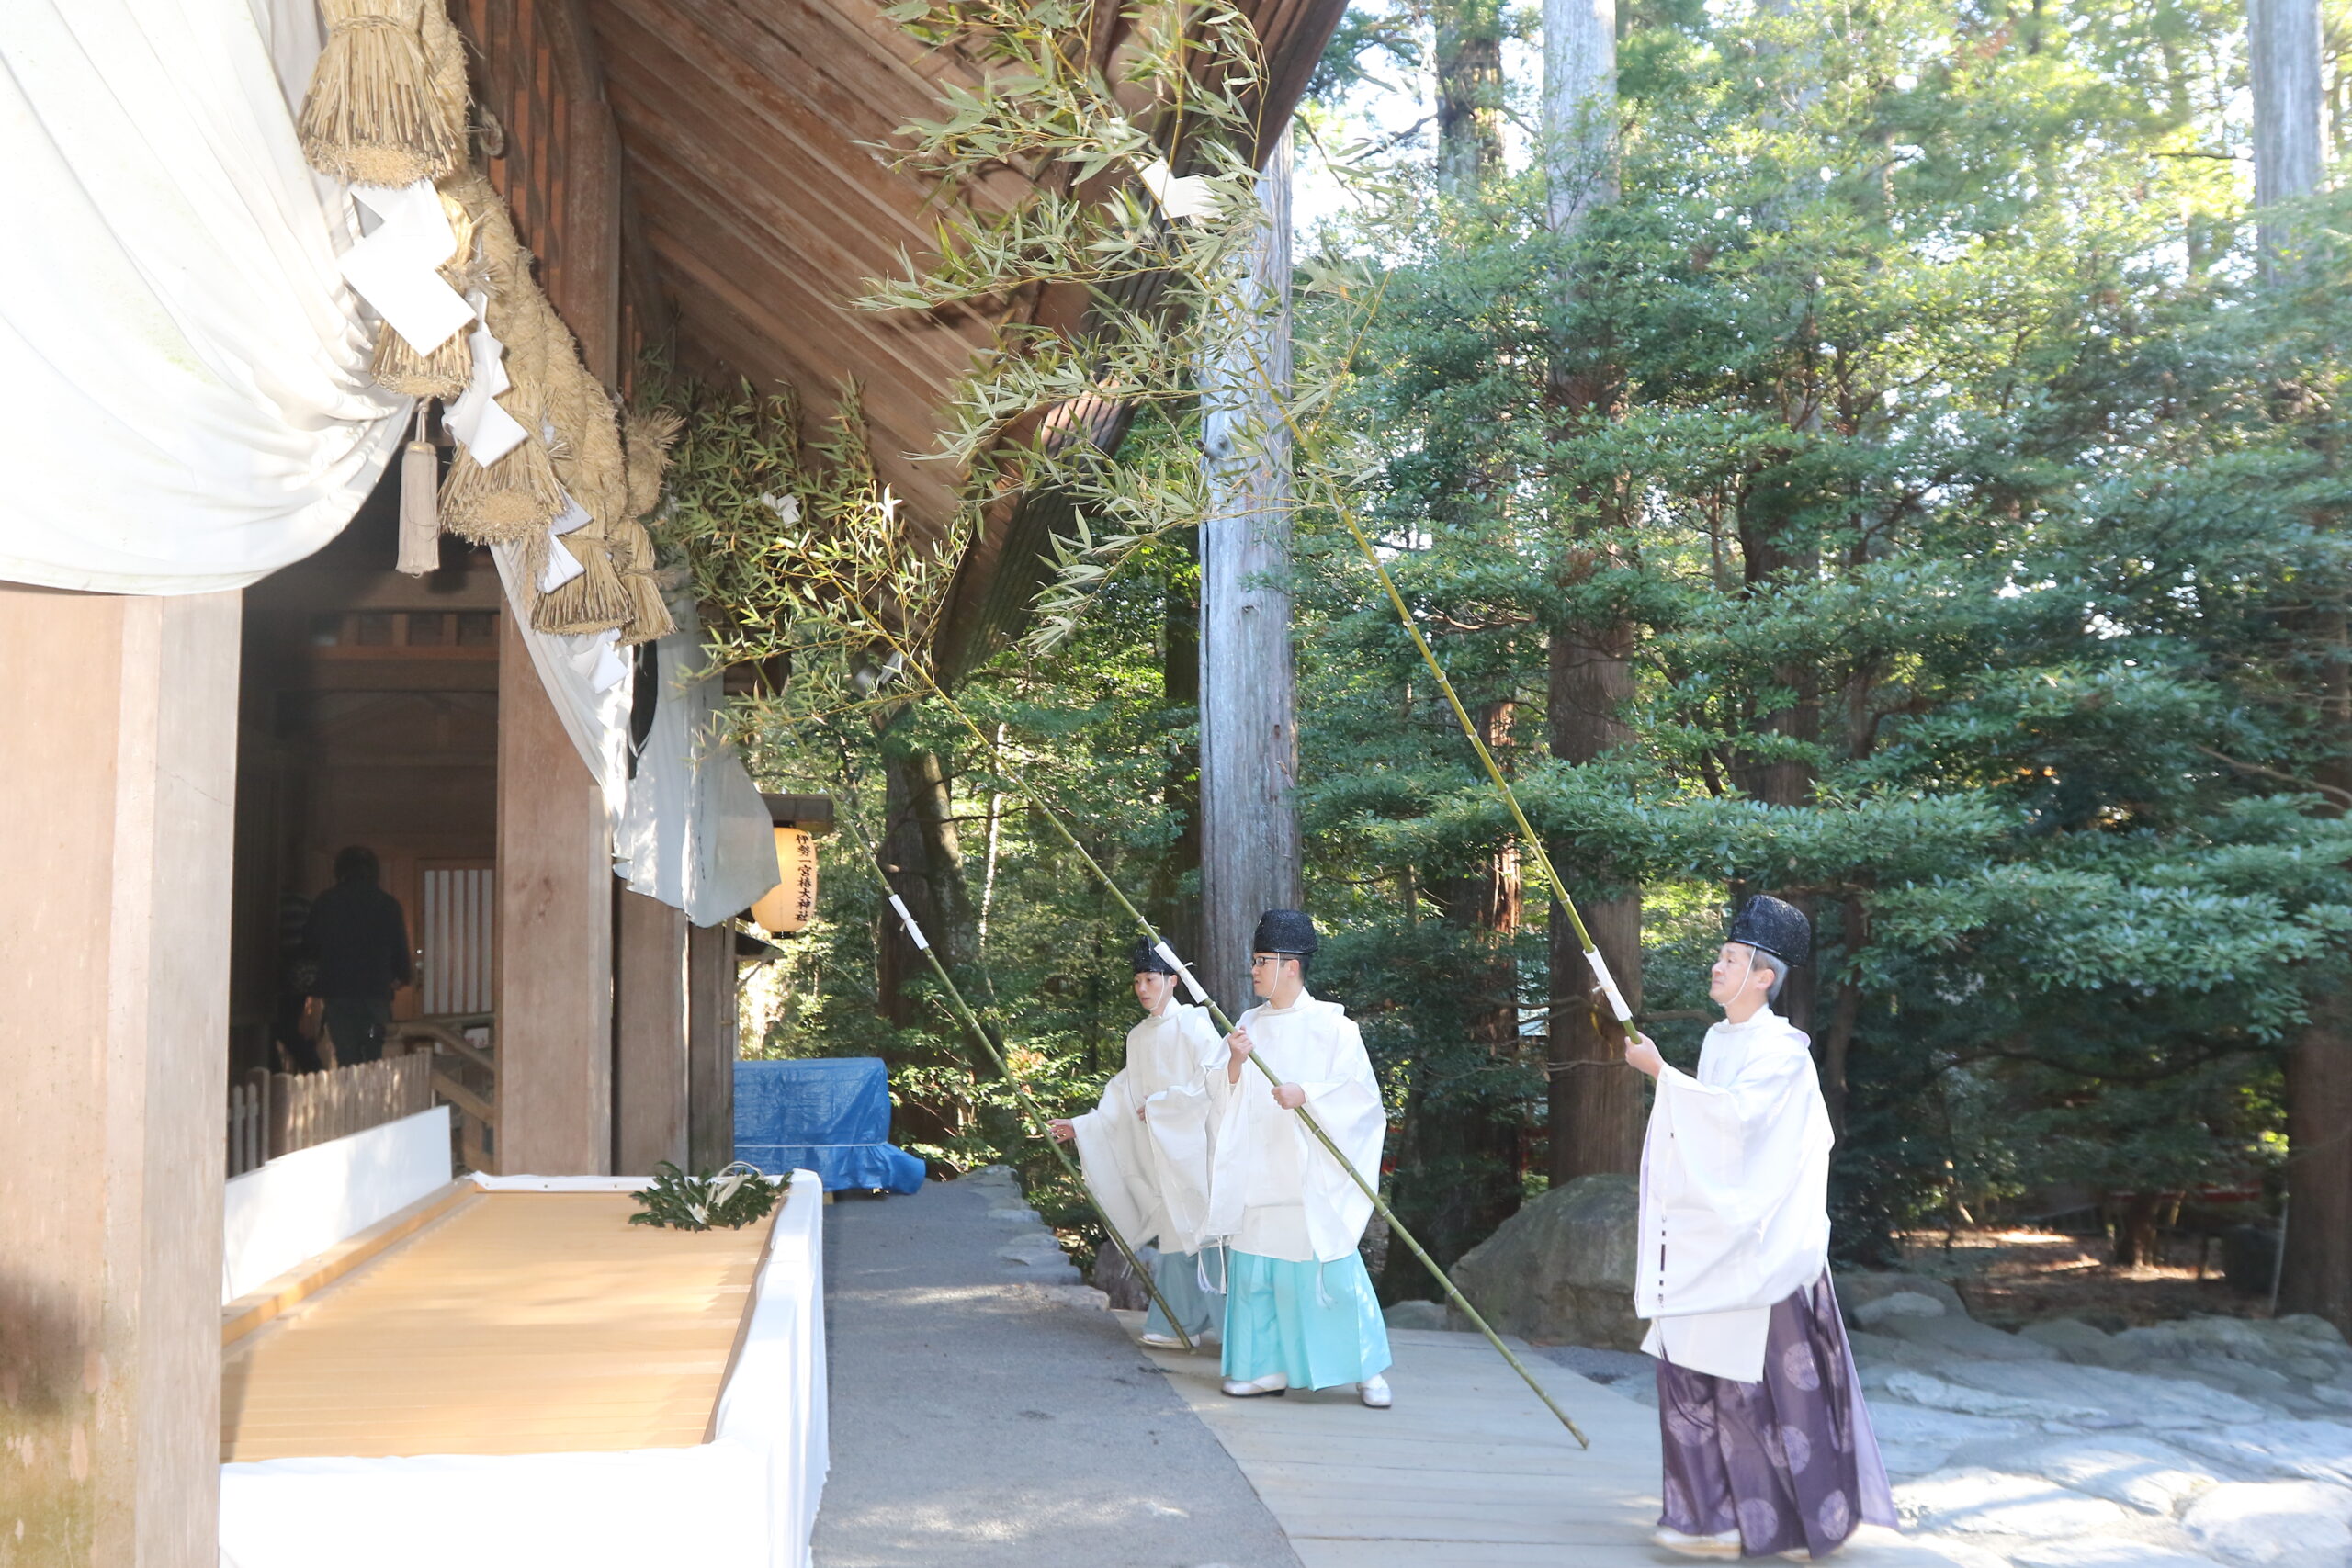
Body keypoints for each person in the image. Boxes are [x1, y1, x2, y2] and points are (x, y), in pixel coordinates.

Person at [1623, 895, 1896, 1561]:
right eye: (1720, 956)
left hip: (1765, 1243)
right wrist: (1671, 1080)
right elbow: (1715, 1129)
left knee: (1769, 1392)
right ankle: (1706, 1517)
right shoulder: (1721, 1039)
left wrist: (1662, 1074)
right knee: (1689, 1369)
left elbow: (1739, 1124)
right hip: (1714, 1238)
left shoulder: (1781, 1051)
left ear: (1764, 976)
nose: (1717, 967)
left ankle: (1799, 1524)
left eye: (1731, 959)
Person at [1203, 909, 1394, 1408]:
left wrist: (1306, 1093)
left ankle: (1367, 1369)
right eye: (1254, 961)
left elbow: (1361, 1098)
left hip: (1309, 1178)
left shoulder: (1335, 1028)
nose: (1253, 970)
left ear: (1291, 966)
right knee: (1257, 1280)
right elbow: (1219, 1090)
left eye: (1262, 961)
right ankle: (1262, 1369)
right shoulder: (1247, 1024)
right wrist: (1235, 1062)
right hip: (1259, 1172)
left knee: (1330, 1278)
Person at [1050, 941, 1227, 1348]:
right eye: (1137, 981)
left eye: (1150, 979)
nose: (1143, 989)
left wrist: (1165, 1104)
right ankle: (1179, 1325)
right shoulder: (1138, 1036)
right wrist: (1083, 1125)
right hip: (1160, 1151)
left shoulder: (1195, 1024)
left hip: (1198, 1149)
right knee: (1174, 1233)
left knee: (1208, 1233)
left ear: (1173, 980)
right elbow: (1123, 1095)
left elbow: (1214, 1080)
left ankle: (1233, 1331)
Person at [304, 846, 413, 1067]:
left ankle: (350, 1087)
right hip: (375, 993)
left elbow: (311, 946)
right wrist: (402, 975)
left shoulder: (326, 902)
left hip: (338, 992)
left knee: (346, 1053)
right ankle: (373, 1086)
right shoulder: (387, 904)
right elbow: (399, 947)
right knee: (374, 1048)